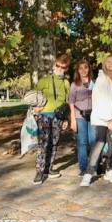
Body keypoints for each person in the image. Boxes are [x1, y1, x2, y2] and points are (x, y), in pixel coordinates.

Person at [80, 55, 112, 187]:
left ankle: (109, 170)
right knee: (100, 143)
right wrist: (107, 121)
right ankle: (88, 173)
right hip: (102, 119)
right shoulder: (101, 81)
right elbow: (98, 103)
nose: (111, 64)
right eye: (109, 62)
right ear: (105, 64)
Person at [33, 54, 71, 185]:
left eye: (63, 67)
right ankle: (39, 171)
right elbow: (35, 96)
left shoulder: (66, 83)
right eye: (58, 65)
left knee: (54, 143)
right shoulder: (44, 80)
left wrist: (66, 119)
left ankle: (49, 169)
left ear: (66, 68)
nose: (60, 68)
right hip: (44, 115)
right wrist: (35, 107)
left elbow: (67, 102)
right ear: (54, 65)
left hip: (58, 117)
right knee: (43, 143)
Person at [68, 59, 96, 176]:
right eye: (81, 68)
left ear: (89, 69)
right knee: (82, 142)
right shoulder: (74, 85)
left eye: (86, 67)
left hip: (94, 115)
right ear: (77, 71)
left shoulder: (94, 82)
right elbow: (71, 102)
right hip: (80, 116)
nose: (83, 70)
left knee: (93, 141)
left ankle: (94, 167)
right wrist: (73, 120)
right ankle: (83, 168)